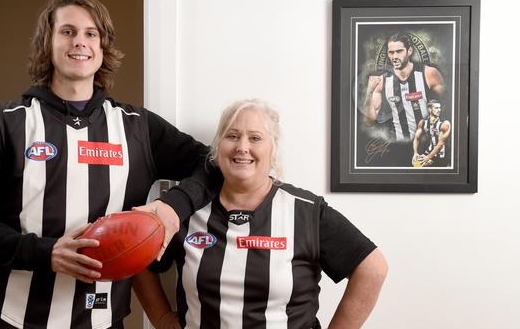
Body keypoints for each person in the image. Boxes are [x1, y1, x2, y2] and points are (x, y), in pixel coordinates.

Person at [0, 0, 219, 329]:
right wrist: (45, 253)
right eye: (68, 31)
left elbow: (213, 164)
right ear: (48, 42)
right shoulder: (7, 121)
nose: (80, 42)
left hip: (99, 319)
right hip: (6, 316)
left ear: (103, 48)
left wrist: (173, 208)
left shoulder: (137, 127)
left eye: (91, 34)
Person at [135, 99, 388, 329]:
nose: (242, 147)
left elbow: (372, 268)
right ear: (217, 147)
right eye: (232, 136)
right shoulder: (188, 211)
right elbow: (138, 260)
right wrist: (162, 319)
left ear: (273, 149)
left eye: (255, 138)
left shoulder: (305, 212)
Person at [364, 33, 446, 141]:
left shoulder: (429, 74)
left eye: (399, 51)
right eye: (391, 52)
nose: (395, 57)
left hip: (427, 144)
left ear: (409, 51)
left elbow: (447, 107)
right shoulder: (382, 81)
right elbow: (370, 120)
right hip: (400, 145)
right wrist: (369, 92)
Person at [412, 99, 451, 167]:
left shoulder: (444, 124)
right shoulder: (423, 122)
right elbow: (416, 138)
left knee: (422, 166)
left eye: (439, 108)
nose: (439, 110)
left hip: (442, 155)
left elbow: (440, 144)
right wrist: (415, 153)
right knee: (416, 164)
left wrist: (428, 157)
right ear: (430, 109)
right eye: (436, 108)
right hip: (430, 151)